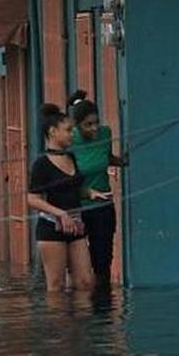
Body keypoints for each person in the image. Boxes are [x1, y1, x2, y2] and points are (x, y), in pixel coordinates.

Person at [27, 104, 111, 292]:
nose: (72, 134)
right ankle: (59, 321)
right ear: (52, 132)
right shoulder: (41, 164)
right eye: (67, 130)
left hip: (76, 225)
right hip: (51, 226)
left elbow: (73, 187)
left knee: (85, 282)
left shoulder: (71, 157)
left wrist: (90, 193)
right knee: (56, 285)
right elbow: (33, 199)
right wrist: (60, 214)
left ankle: (83, 320)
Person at [68, 90, 127, 286]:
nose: (94, 128)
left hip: (103, 205)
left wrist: (121, 161)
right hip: (78, 207)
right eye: (88, 125)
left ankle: (103, 305)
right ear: (77, 126)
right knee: (78, 263)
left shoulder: (105, 133)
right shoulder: (70, 140)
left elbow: (105, 158)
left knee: (102, 260)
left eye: (96, 122)